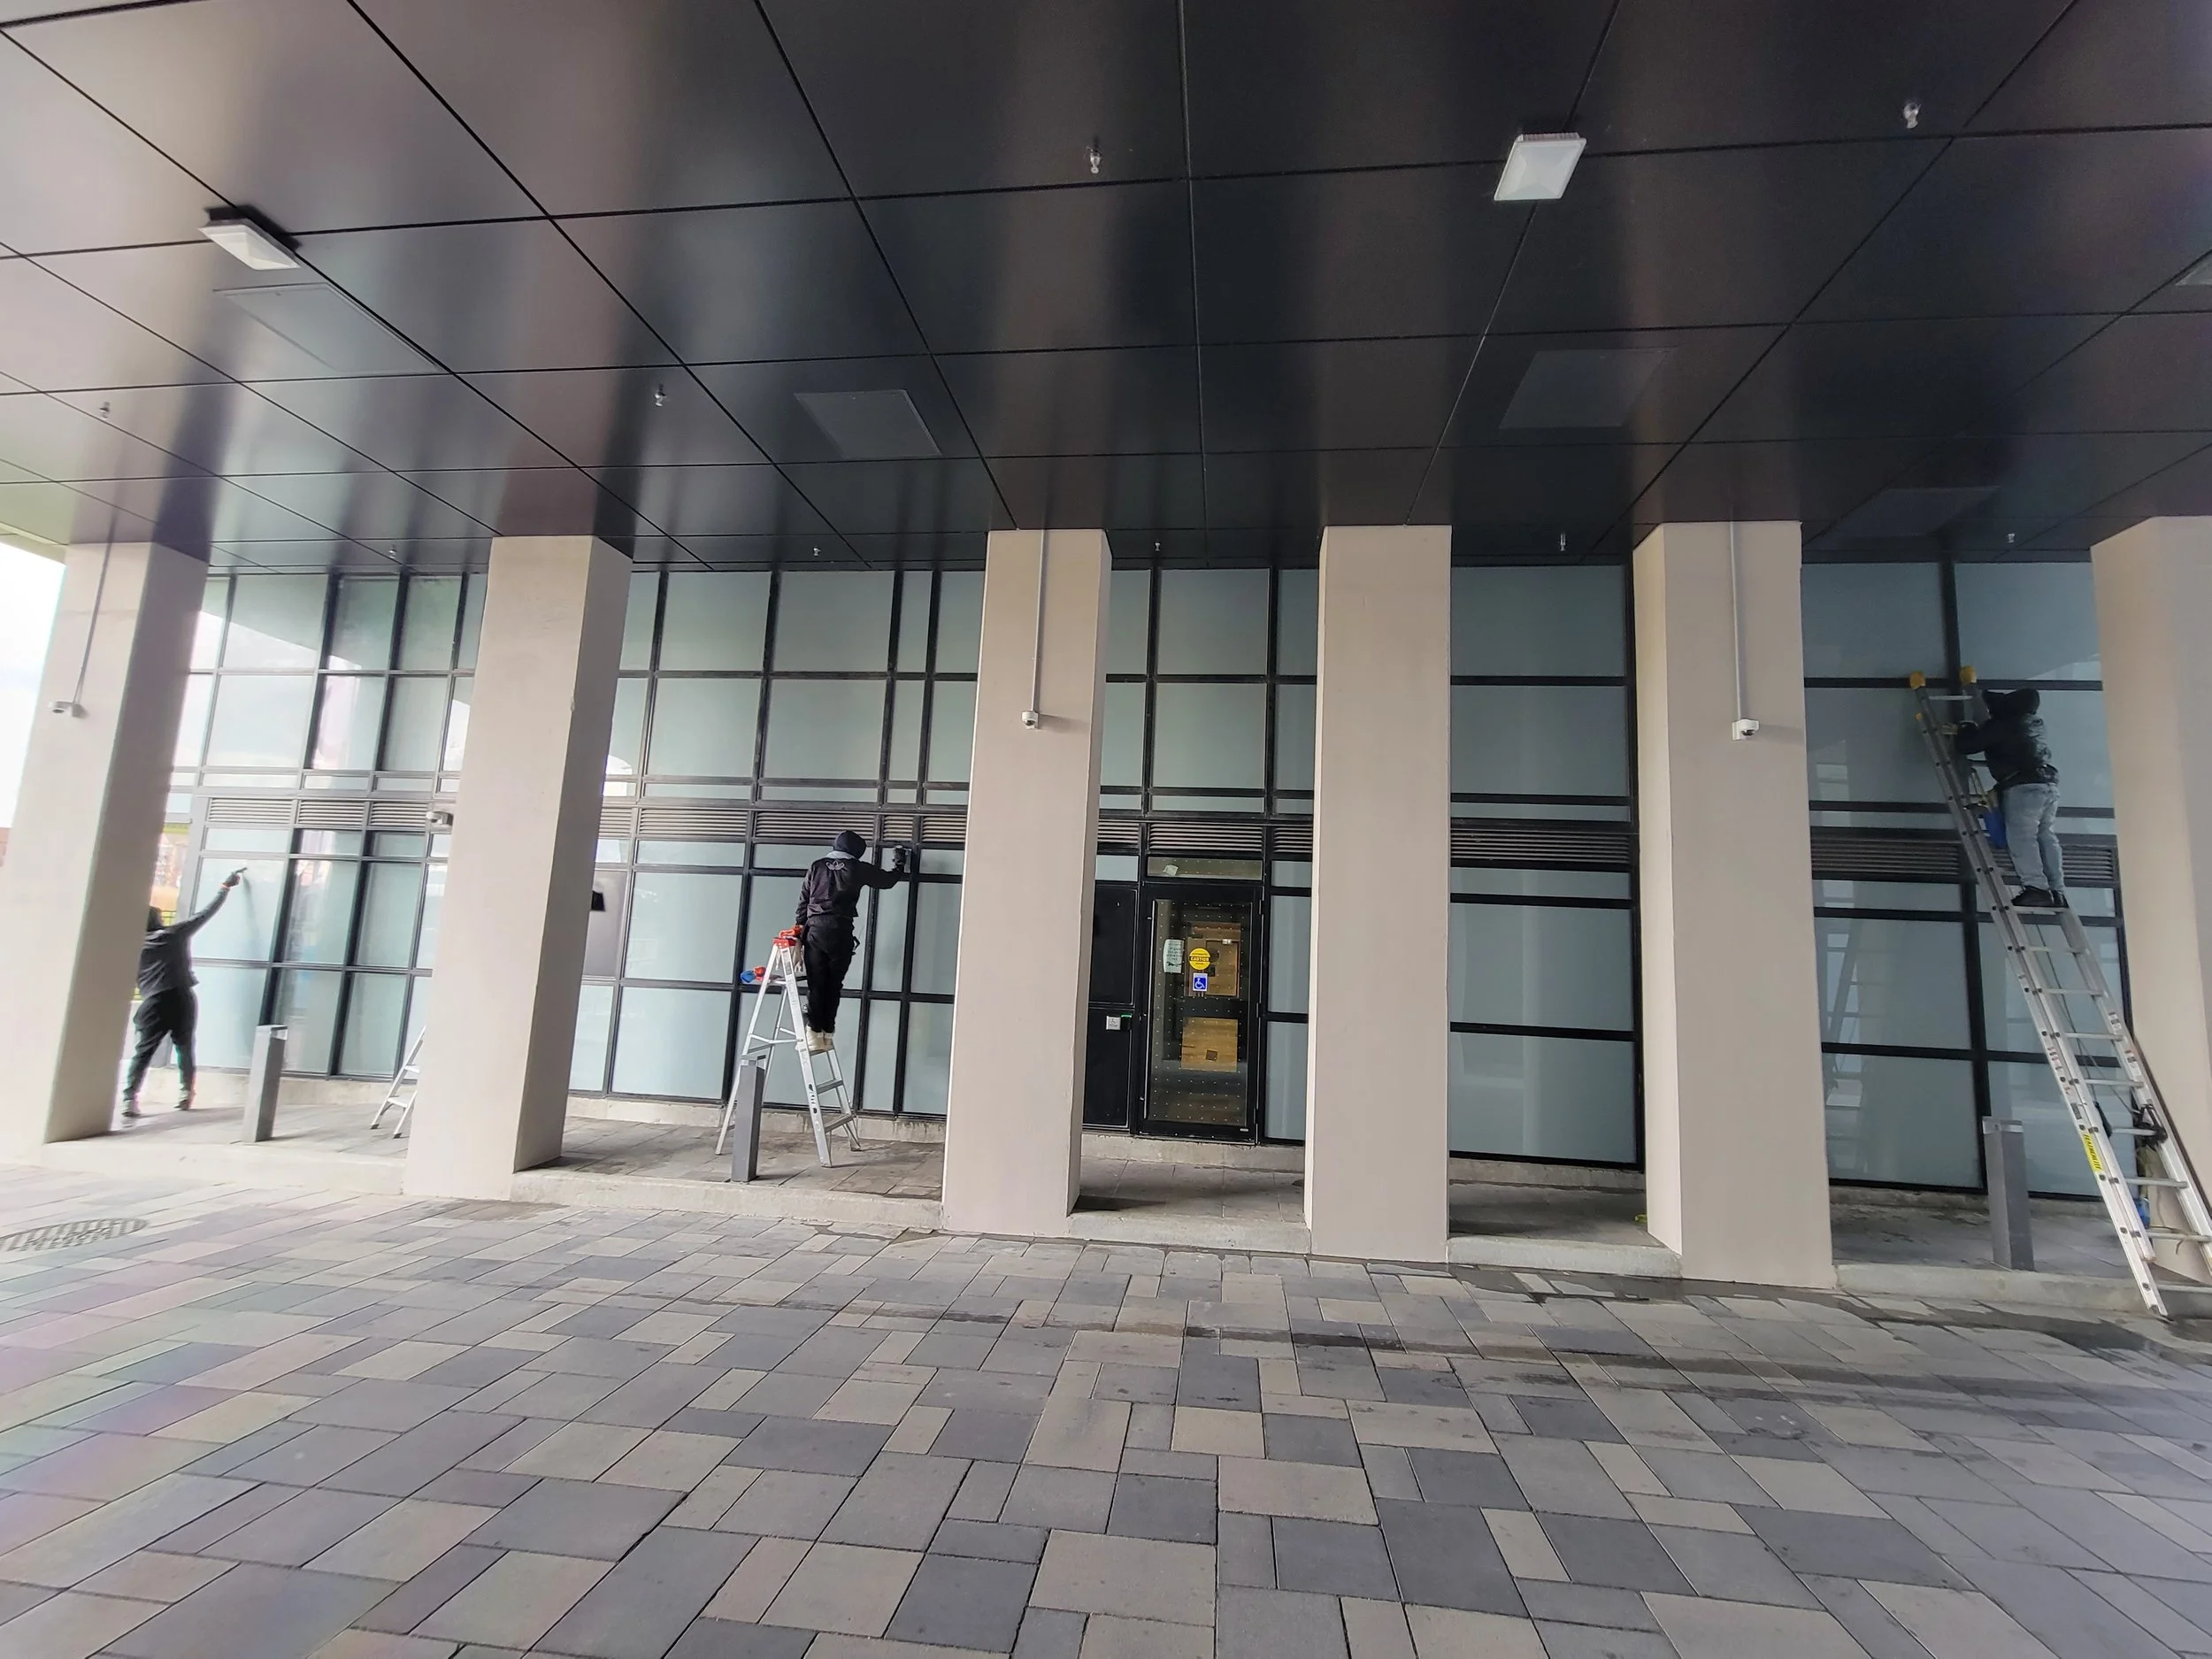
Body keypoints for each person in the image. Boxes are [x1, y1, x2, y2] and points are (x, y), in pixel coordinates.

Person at [122, 868, 242, 1118]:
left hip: (152, 1002)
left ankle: (129, 1098)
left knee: (143, 1050)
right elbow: (204, 915)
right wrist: (224, 888)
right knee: (185, 1046)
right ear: (157, 921)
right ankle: (186, 1093)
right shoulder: (172, 935)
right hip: (180, 997)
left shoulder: (131, 946)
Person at [794, 832, 909, 1053]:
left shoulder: (817, 866)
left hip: (815, 931)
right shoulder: (858, 868)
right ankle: (827, 1032)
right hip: (841, 932)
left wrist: (798, 930)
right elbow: (888, 881)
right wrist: (899, 861)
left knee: (817, 983)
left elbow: (804, 900)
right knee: (834, 985)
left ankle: (814, 1035)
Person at [1955, 688, 2065, 909]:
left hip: (2023, 789)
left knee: (2022, 838)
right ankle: (2056, 890)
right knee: (2045, 837)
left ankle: (2035, 888)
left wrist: (1966, 728)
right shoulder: (2035, 723)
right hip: (2048, 786)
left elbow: (1966, 746)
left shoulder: (2004, 724)